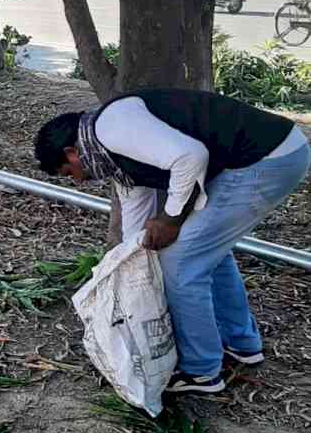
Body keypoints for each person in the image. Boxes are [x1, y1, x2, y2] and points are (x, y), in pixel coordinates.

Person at [34, 89, 310, 395]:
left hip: (267, 158)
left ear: (72, 152)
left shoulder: (112, 128)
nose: (76, 180)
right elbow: (135, 223)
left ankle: (202, 371)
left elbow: (191, 157)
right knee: (207, 254)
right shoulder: (116, 163)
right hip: (269, 152)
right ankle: (241, 343)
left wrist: (170, 219)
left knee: (180, 261)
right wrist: (129, 268)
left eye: (68, 172)